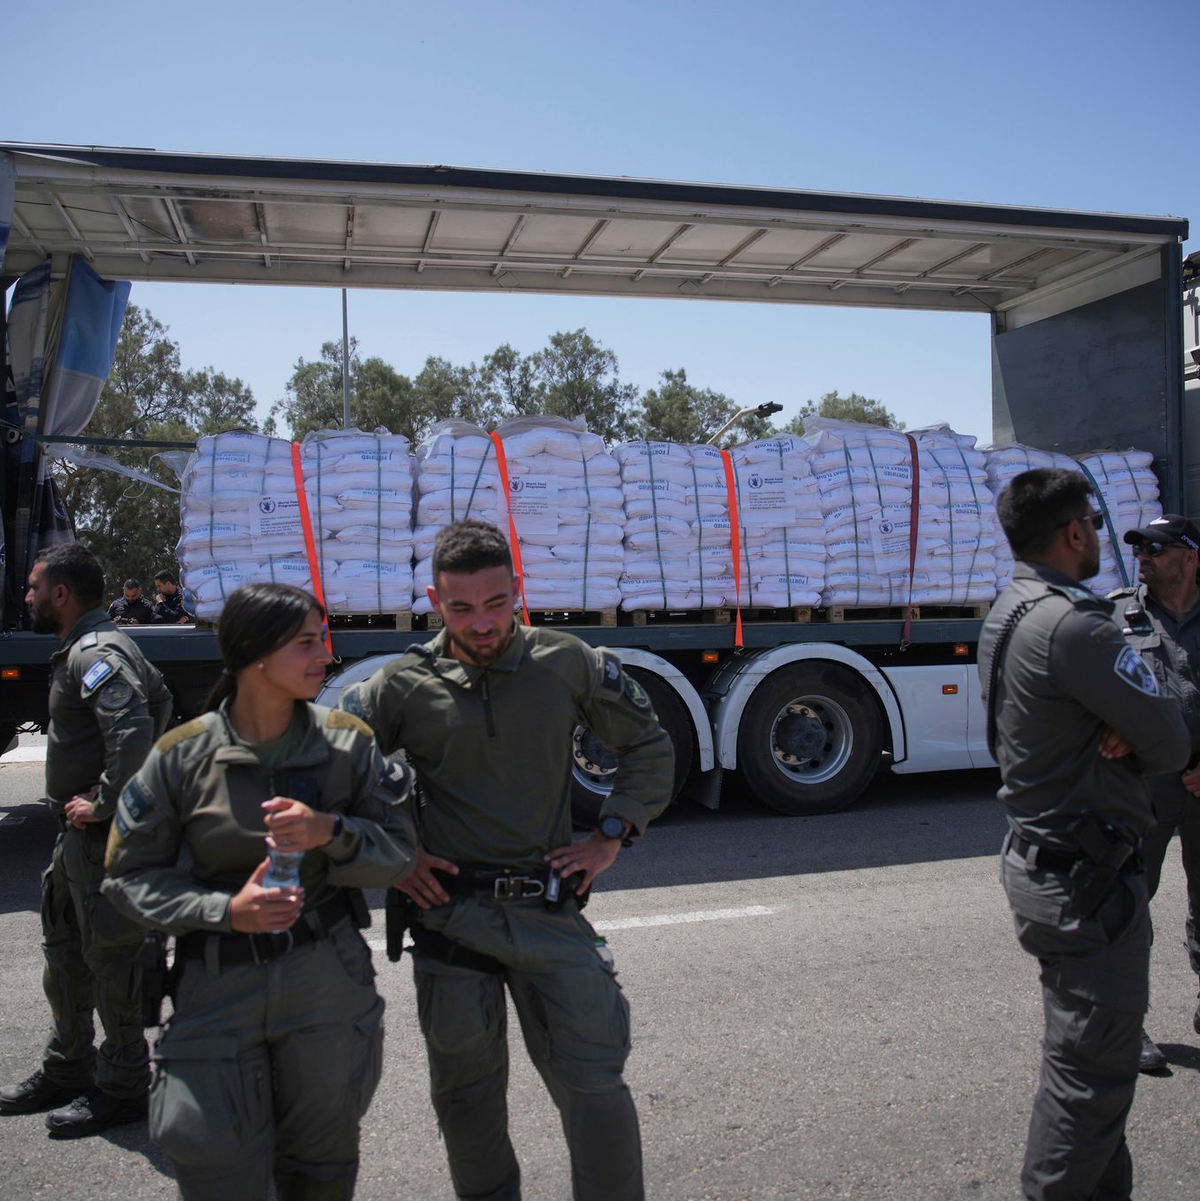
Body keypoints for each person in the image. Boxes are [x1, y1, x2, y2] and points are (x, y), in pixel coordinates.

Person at [338, 519, 674, 1201]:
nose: (482, 623)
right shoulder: (402, 685)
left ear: (517, 592)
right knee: (466, 1101)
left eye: (496, 604)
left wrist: (611, 832)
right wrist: (396, 855)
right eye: (462, 608)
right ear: (436, 602)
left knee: (595, 1084)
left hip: (549, 911)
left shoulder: (567, 661)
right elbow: (335, 769)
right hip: (451, 918)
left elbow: (649, 744)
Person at [102, 583, 418, 1200]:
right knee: (219, 1171)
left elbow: (401, 853)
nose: (324, 656)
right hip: (217, 989)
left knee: (323, 1168)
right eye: (305, 644)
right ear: (254, 654)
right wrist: (225, 911)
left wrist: (330, 831)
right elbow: (126, 876)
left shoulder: (349, 743)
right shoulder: (181, 757)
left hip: (325, 982)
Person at [979, 469, 1189, 1201]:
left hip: (1050, 868)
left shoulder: (1010, 609)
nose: (1100, 539)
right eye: (1095, 526)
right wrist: (1129, 726)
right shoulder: (1078, 623)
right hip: (1087, 883)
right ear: (1073, 532)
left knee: (1093, 1076)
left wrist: (1118, 724)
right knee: (1086, 1084)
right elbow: (1170, 740)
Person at [0, 543, 172, 1136]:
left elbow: (133, 726)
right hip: (74, 840)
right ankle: (69, 1066)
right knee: (65, 953)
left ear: (61, 594)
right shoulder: (83, 649)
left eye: (34, 586)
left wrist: (104, 802)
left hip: (99, 837)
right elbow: (161, 697)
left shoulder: (97, 651)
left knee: (111, 961)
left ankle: (124, 1085)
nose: (28, 596)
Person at [1109, 514, 1200, 1070]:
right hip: (1140, 790)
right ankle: (1126, 1028)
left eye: (1157, 549)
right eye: (1140, 548)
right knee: (1126, 911)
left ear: (1190, 558)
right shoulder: (1116, 614)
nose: (1144, 556)